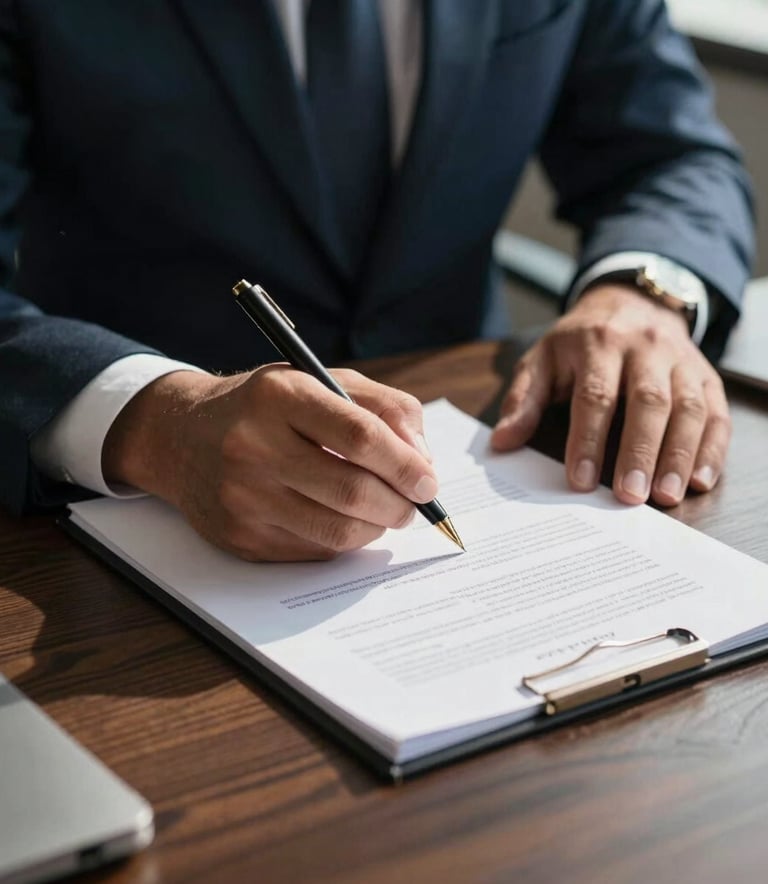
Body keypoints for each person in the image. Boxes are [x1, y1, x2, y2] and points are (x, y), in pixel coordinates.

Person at [0, 1, 754, 561]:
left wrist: (643, 288)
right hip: (116, 533)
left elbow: (670, 157)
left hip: (479, 440)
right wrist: (153, 425)